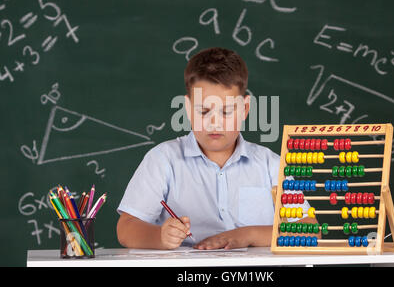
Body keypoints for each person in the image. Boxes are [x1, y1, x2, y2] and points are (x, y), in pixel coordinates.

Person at [116, 47, 316, 250]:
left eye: (227, 111)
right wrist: (160, 237)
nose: (215, 123)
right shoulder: (163, 160)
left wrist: (248, 234)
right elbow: (126, 228)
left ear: (245, 109)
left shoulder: (269, 164)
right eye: (203, 111)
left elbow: (310, 228)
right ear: (187, 108)